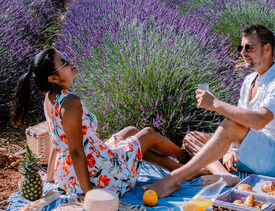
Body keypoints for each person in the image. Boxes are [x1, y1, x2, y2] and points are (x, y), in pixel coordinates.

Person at [143, 24, 275, 198]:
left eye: (248, 47)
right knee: (192, 137)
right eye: (240, 47)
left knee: (230, 125)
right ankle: (225, 176)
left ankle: (175, 178)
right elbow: (243, 124)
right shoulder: (249, 81)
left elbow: (259, 121)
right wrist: (229, 151)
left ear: (267, 49)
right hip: (250, 153)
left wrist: (216, 104)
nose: (242, 52)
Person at [11, 48, 190, 196]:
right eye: (64, 61)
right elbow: (75, 152)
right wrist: (91, 194)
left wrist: (51, 176)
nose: (70, 61)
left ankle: (177, 168)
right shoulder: (70, 103)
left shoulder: (51, 98)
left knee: (130, 132)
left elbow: (57, 140)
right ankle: (185, 159)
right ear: (53, 79)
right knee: (148, 134)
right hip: (98, 177)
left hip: (72, 174)